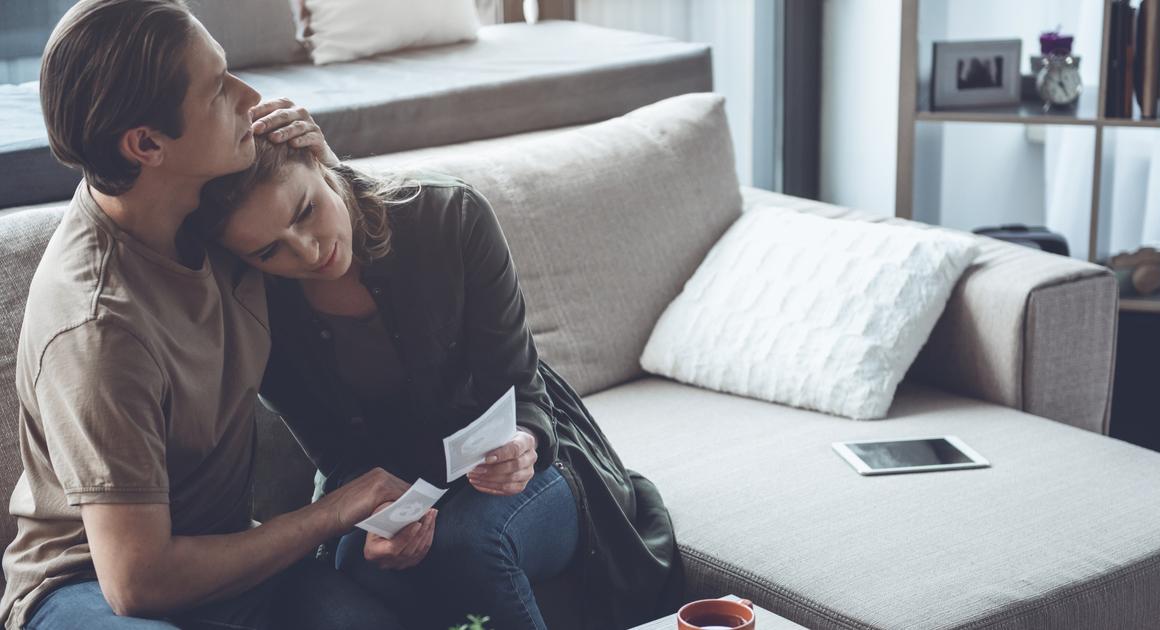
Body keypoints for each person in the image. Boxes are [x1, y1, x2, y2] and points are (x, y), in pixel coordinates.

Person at [0, 1, 414, 628]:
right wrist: (335, 512)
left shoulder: (220, 213)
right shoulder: (98, 324)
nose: (251, 95)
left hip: (228, 560)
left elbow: (378, 265)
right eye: (219, 87)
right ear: (146, 144)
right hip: (87, 586)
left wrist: (323, 170)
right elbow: (137, 583)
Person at [190, 131, 684, 629]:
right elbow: (338, 456)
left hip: (531, 462)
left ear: (320, 163)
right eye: (270, 251)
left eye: (305, 211)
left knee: (469, 544)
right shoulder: (260, 310)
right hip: (393, 486)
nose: (307, 250)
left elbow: (522, 390)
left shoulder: (449, 215)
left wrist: (522, 441)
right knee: (342, 581)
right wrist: (378, 529)